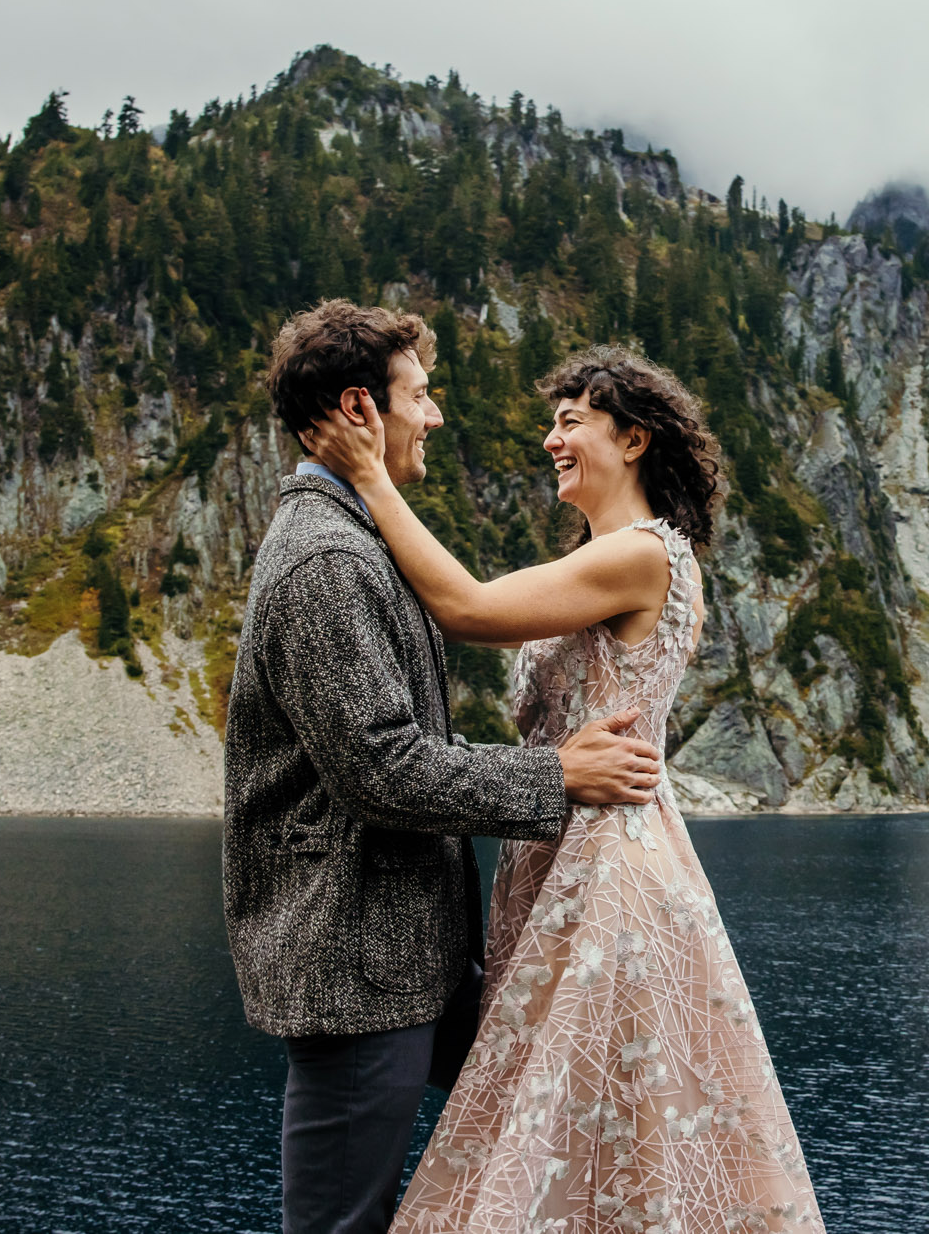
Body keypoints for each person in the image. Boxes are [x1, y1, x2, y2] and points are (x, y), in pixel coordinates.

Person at [302, 343, 824, 1234]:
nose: (550, 438)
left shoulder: (644, 555)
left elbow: (466, 609)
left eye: (570, 420)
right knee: (582, 1122)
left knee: (571, 1114)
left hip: (607, 867)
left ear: (633, 439)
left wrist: (368, 480)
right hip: (559, 850)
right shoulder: (607, 556)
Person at [225, 302, 666, 1234]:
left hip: (406, 957)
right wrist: (557, 777)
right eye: (419, 397)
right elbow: (383, 769)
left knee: (549, 1137)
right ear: (360, 410)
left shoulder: (358, 538)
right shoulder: (324, 558)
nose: (433, 417)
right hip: (355, 966)